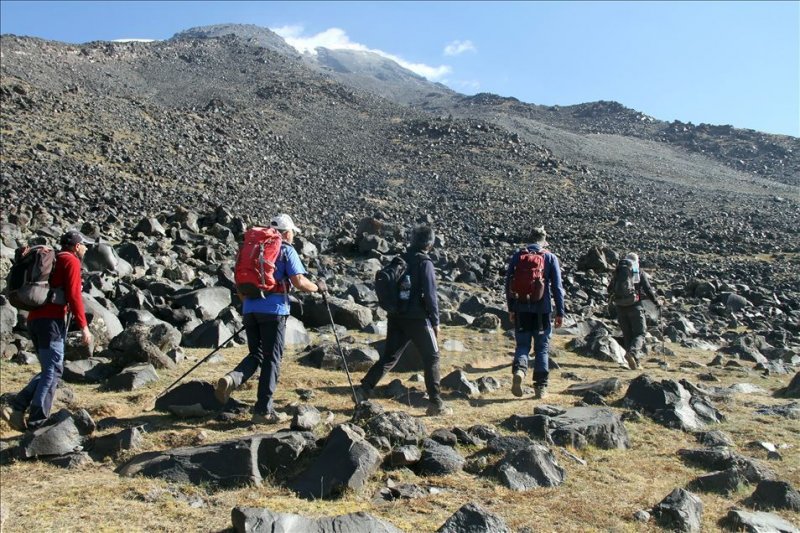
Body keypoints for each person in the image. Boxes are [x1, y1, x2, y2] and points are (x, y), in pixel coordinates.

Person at [214, 214, 325, 424]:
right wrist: (318, 287)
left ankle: (232, 379)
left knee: (256, 354)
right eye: (292, 231)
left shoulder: (253, 249)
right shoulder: (285, 249)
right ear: (286, 232)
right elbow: (299, 282)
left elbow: (240, 281)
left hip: (250, 308)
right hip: (274, 310)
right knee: (272, 359)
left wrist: (250, 305)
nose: (293, 235)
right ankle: (263, 411)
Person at [1, 230, 94, 431]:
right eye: (84, 244)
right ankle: (37, 422)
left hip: (35, 320)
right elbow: (74, 297)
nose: (86, 248)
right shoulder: (71, 261)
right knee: (53, 371)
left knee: (49, 370)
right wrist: (84, 327)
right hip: (51, 322)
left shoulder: (55, 260)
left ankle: (16, 408)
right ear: (77, 246)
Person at [356, 225, 452, 416]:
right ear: (430, 244)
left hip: (397, 316)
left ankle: (363, 390)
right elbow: (431, 295)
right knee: (432, 357)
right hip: (418, 319)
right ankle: (436, 403)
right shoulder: (425, 263)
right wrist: (435, 322)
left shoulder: (401, 260)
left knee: (389, 357)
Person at [505, 226, 565, 400]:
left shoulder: (518, 256)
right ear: (543, 240)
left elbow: (508, 283)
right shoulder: (550, 257)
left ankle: (519, 371)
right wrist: (560, 312)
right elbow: (557, 287)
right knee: (542, 348)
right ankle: (540, 387)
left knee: (522, 345)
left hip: (521, 308)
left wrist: (511, 308)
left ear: (529, 239)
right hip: (542, 310)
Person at [608, 252, 660, 370]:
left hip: (620, 307)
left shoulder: (618, 271)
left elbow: (610, 289)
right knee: (640, 333)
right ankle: (632, 353)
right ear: (636, 261)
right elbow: (647, 289)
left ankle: (634, 363)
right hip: (635, 306)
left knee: (628, 335)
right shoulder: (638, 271)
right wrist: (656, 303)